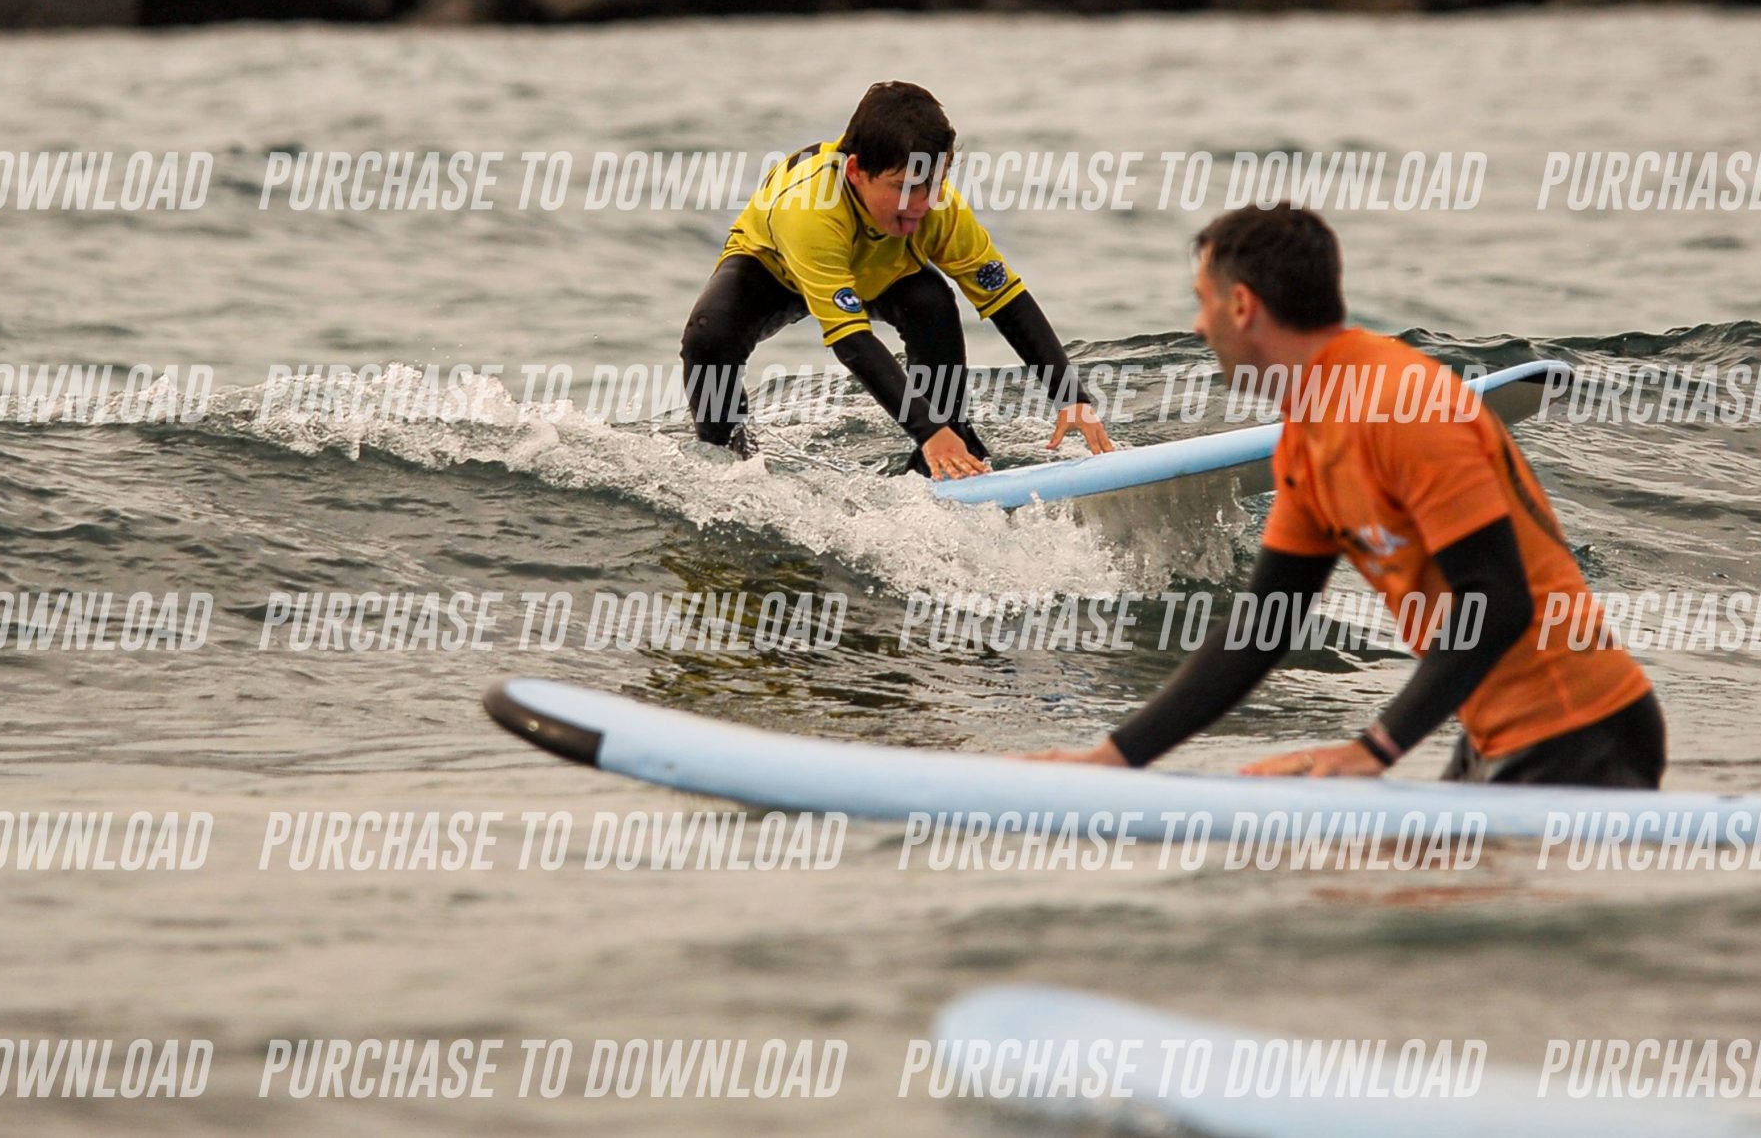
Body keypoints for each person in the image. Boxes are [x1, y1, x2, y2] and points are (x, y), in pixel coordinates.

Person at [1030, 204, 1663, 784]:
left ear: (1242, 306)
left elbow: (1498, 601)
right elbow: (1264, 623)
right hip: (1495, 735)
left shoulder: (1401, 405)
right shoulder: (1310, 432)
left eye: (1203, 302)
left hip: (1586, 733)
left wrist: (1372, 751)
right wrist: (1114, 759)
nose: (1198, 325)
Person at [681, 81, 1113, 478]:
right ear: (855, 172)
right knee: (709, 336)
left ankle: (948, 454)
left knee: (930, 301)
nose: (922, 204)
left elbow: (1007, 300)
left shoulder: (937, 207)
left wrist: (1071, 397)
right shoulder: (808, 210)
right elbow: (851, 339)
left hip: (878, 268)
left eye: (935, 184)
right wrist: (927, 429)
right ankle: (727, 458)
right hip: (772, 269)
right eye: (905, 187)